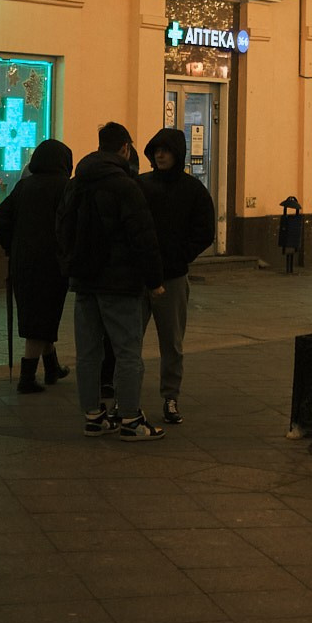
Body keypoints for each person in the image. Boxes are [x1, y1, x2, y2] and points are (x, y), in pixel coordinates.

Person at [61, 122, 165, 438]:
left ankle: (93, 415)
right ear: (124, 148)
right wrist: (154, 280)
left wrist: (70, 264)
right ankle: (131, 419)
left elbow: (61, 227)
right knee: (127, 350)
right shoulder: (125, 186)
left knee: (89, 351)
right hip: (119, 283)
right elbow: (142, 236)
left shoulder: (77, 182)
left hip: (84, 280)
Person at [141, 128, 218, 426]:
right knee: (130, 339)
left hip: (172, 276)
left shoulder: (192, 190)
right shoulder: (141, 185)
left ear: (177, 153)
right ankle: (127, 395)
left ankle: (170, 396)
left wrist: (179, 257)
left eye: (166, 150)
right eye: (156, 150)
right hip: (141, 276)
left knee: (171, 341)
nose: (160, 155)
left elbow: (203, 232)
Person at [0, 139, 74, 393]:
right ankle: (27, 377)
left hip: (23, 260)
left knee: (39, 314)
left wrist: (10, 245)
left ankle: (52, 368)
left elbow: (0, 217)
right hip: (52, 262)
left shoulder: (24, 186)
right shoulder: (65, 188)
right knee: (44, 315)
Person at [277, 195, 305, 273]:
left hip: (290, 236)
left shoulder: (292, 221)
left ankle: (290, 269)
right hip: (289, 236)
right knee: (290, 252)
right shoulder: (294, 221)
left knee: (290, 252)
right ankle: (289, 269)